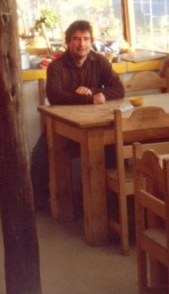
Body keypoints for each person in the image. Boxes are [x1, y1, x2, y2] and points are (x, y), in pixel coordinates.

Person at [31, 20, 125, 210]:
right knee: (38, 156)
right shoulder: (56, 67)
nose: (81, 44)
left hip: (95, 125)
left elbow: (119, 90)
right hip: (62, 128)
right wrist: (88, 99)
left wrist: (94, 91)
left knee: (112, 149)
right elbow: (55, 96)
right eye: (76, 39)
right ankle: (40, 202)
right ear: (67, 42)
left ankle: (105, 204)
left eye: (85, 39)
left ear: (92, 41)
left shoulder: (100, 61)